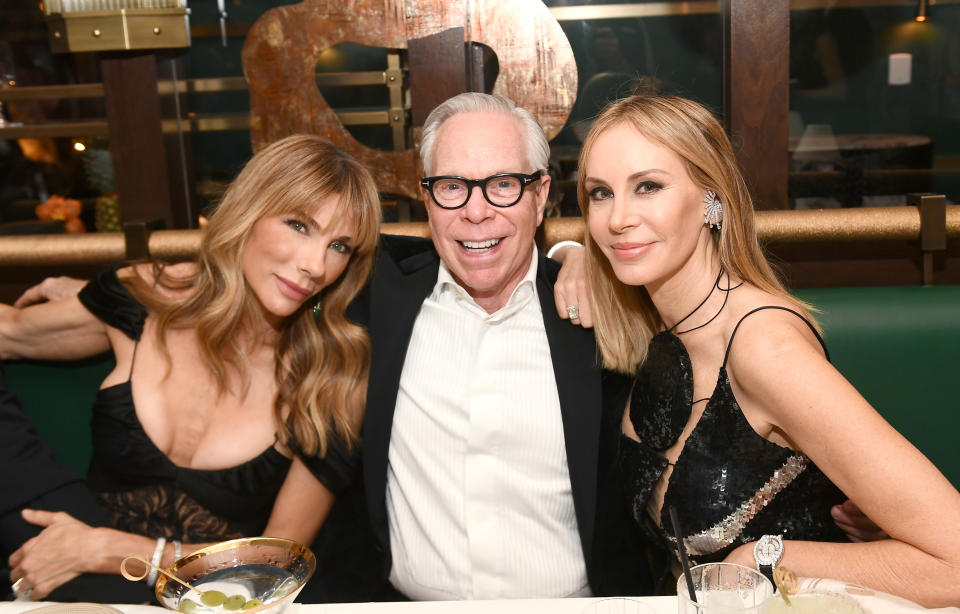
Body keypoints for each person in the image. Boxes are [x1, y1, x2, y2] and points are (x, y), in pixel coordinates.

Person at [576, 93, 960, 607]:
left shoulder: (765, 348)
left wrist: (759, 558)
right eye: (600, 193)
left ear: (711, 198)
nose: (618, 218)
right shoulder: (656, 324)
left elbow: (954, 561)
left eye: (648, 187)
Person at [300, 92, 650, 602]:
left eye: (504, 185)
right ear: (427, 199)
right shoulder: (376, 293)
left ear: (540, 194)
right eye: (452, 187)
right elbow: (279, 262)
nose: (476, 211)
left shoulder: (603, 311)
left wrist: (575, 253)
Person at [0, 134, 382, 601]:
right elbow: (12, 330)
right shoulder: (142, 301)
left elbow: (276, 566)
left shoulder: (331, 380)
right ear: (249, 211)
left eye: (340, 246)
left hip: (202, 601)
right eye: (299, 225)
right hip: (65, 579)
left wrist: (108, 550)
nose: (315, 265)